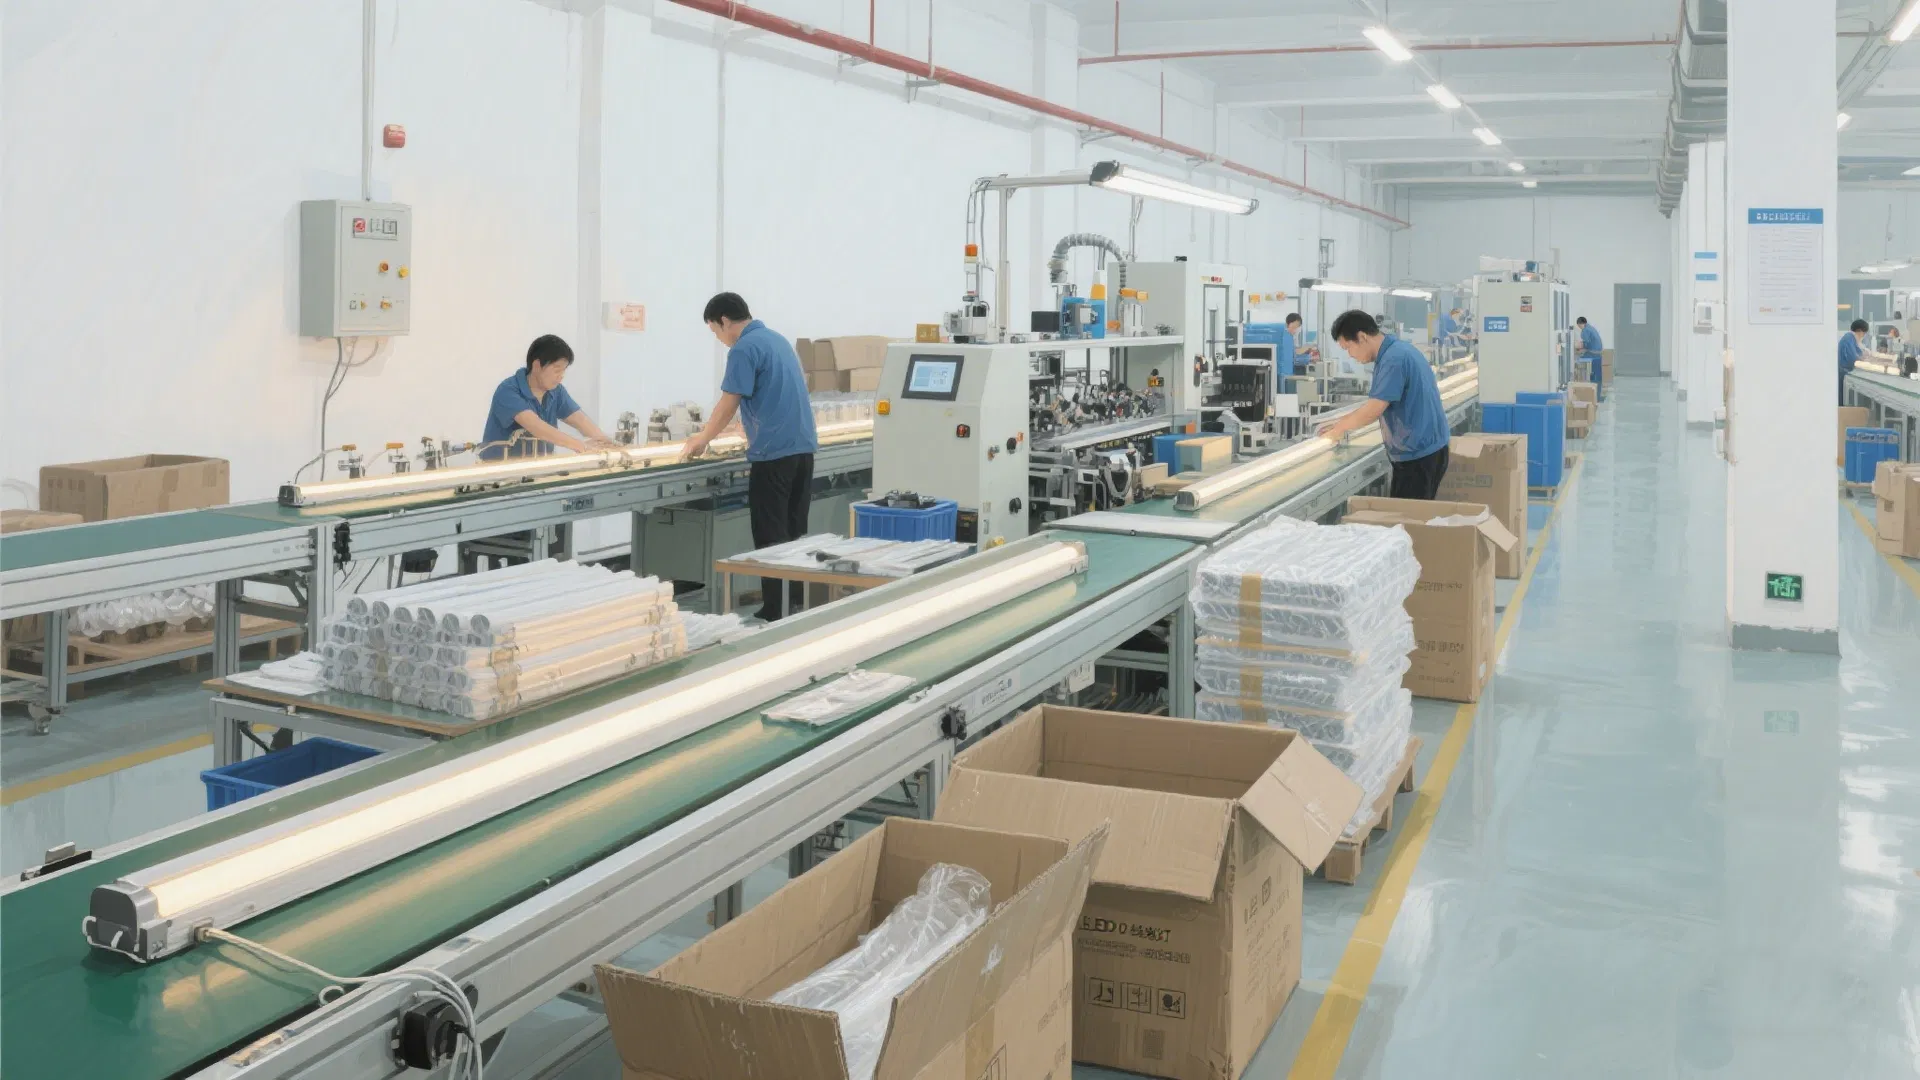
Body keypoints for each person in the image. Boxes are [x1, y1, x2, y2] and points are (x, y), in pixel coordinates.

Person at [685, 292, 819, 622]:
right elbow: (774, 394)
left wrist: (702, 438)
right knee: (794, 533)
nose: (719, 339)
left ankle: (775, 610)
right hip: (802, 450)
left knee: (771, 535)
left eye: (715, 331)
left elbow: (729, 401)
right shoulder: (776, 340)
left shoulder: (744, 348)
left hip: (773, 456)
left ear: (724, 321)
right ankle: (794, 604)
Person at [1317, 310, 1452, 500]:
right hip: (1426, 450)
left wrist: (1339, 430)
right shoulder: (1397, 350)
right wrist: (1341, 422)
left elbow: (1373, 409)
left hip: (1418, 457)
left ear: (1362, 337)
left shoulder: (1393, 359)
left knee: (1406, 516)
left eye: (1348, 348)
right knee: (1412, 513)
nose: (1350, 355)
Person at [480, 335, 615, 459]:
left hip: (539, 467)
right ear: (537, 366)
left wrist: (606, 443)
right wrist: (581, 446)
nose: (561, 376)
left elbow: (579, 419)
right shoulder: (508, 390)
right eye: (557, 370)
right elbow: (535, 426)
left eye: (564, 370)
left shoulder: (556, 391)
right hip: (501, 469)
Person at [1839, 318, 1868, 404]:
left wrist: (1864, 355)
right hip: (1844, 373)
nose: (1863, 336)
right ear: (1859, 331)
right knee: (1843, 399)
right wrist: (1864, 359)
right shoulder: (1849, 338)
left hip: (1846, 372)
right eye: (1864, 333)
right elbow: (1853, 359)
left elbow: (1858, 353)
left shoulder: (1851, 339)